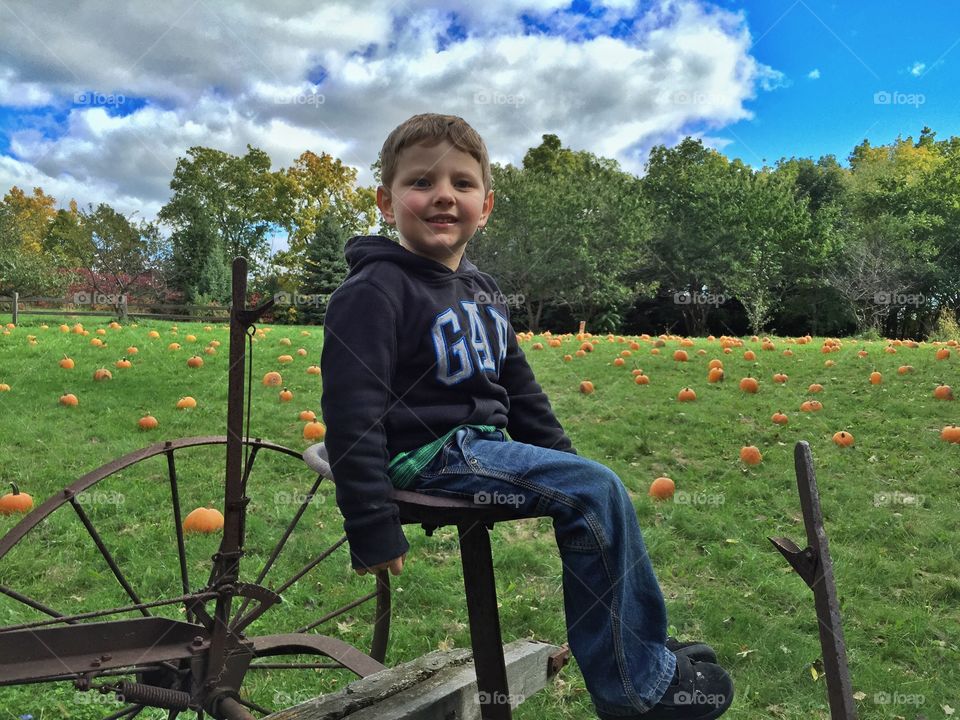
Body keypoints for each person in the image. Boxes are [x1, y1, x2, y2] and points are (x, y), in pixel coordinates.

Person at [320, 113, 733, 719]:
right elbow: (350, 409)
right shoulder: (373, 291)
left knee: (594, 487)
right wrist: (370, 522)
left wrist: (564, 459)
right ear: (386, 201)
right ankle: (638, 690)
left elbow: (519, 387)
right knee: (599, 493)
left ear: (485, 206)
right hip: (426, 455)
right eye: (421, 183)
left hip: (477, 446)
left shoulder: (483, 291)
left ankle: (639, 650)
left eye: (462, 184)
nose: (443, 195)